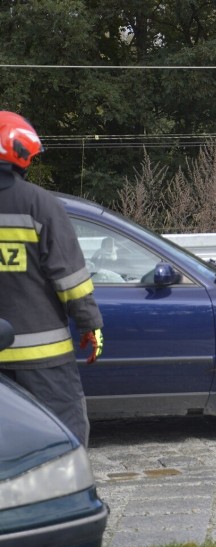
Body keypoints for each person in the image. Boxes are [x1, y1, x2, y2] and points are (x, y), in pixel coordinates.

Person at [0, 110, 103, 447]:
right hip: (41, 357)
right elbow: (70, 278)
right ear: (20, 152)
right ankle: (65, 497)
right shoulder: (40, 205)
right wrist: (89, 323)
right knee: (64, 435)